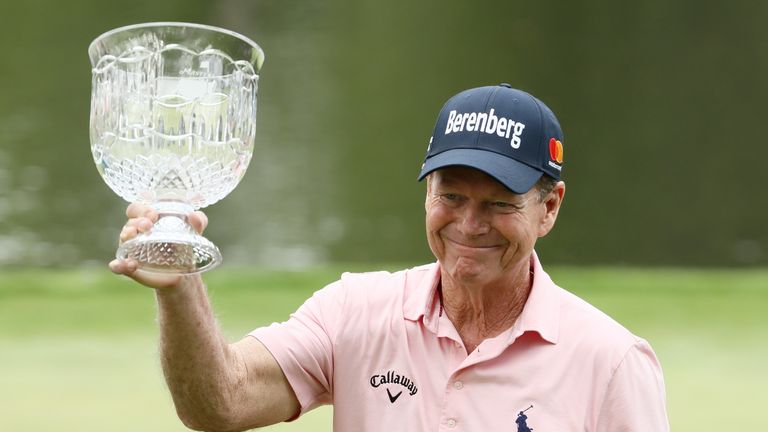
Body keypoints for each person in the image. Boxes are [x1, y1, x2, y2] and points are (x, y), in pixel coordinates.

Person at [110, 84, 669, 431]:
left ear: (549, 208)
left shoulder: (612, 364)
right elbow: (220, 404)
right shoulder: (355, 310)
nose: (469, 226)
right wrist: (179, 288)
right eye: (450, 196)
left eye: (498, 203)